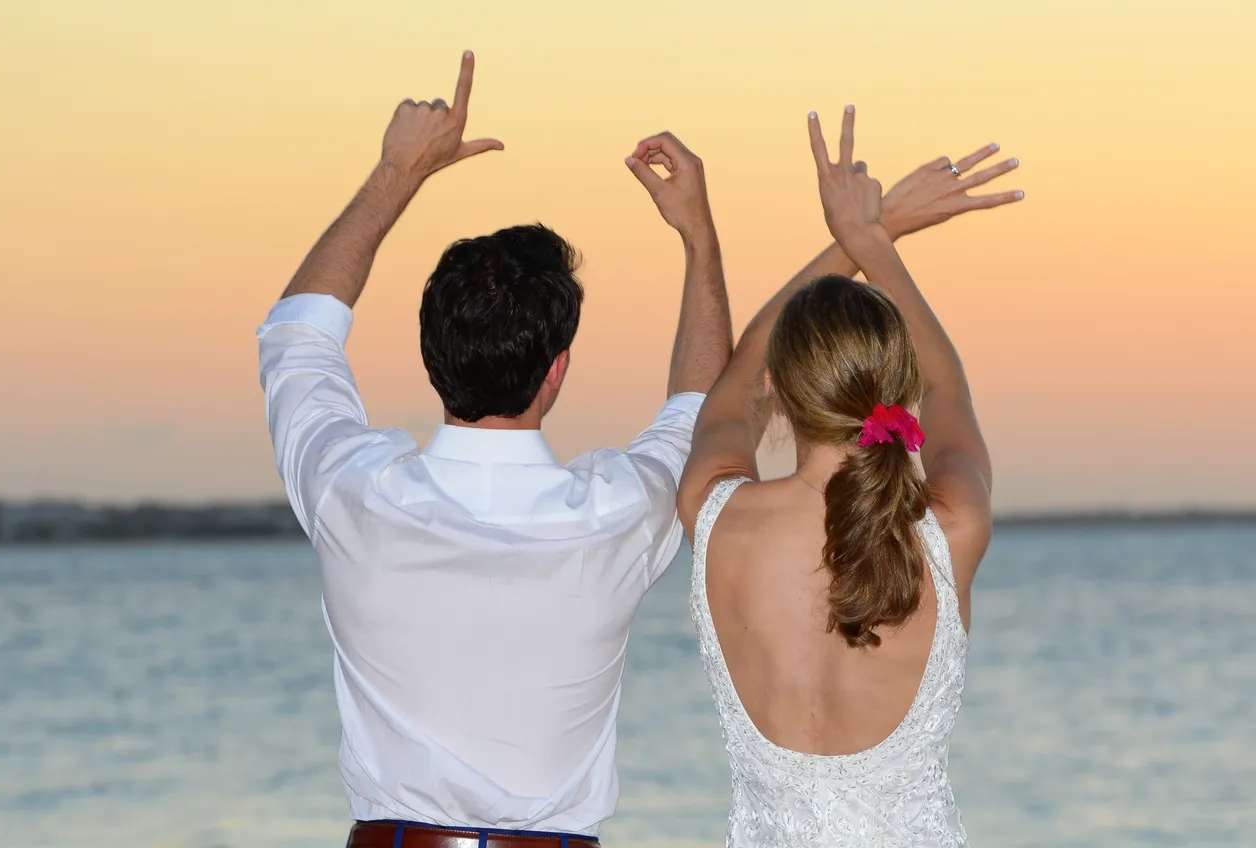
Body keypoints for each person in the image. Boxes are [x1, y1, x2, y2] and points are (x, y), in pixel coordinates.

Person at [255, 53, 732, 848]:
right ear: (557, 372)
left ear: (431, 353)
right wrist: (699, 238)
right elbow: (700, 411)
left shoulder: (357, 493)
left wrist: (397, 172)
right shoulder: (615, 510)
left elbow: (296, 338)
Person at [674, 106, 1023, 847]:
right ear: (902, 391)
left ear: (780, 383)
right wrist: (874, 239)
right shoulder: (950, 530)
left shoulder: (714, 516)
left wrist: (857, 238)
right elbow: (950, 389)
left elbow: (732, 377)